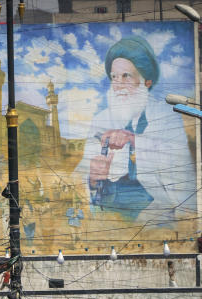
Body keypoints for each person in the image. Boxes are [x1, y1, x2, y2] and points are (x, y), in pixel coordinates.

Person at [76, 35, 195, 220]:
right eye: (114, 77)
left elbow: (178, 168)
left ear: (147, 82)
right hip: (108, 213)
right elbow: (80, 174)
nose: (118, 85)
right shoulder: (101, 119)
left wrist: (134, 141)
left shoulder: (166, 116)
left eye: (126, 76)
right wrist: (92, 178)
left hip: (153, 213)